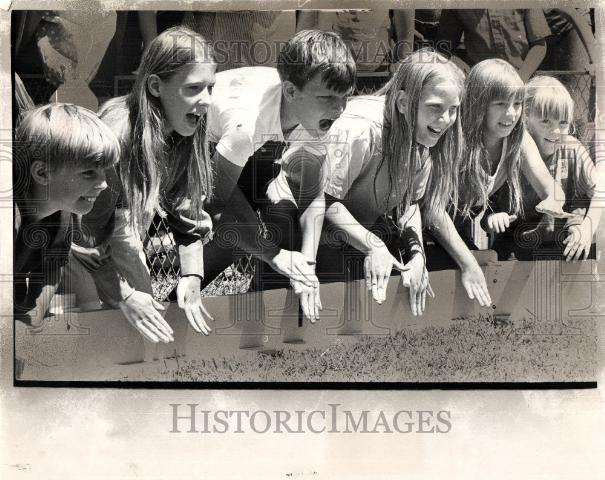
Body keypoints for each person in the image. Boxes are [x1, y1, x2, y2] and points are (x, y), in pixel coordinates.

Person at [314, 50, 492, 316]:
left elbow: (410, 205)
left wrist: (417, 254)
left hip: (355, 233)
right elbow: (321, 202)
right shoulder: (360, 130)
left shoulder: (423, 136)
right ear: (402, 102)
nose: (445, 120)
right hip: (306, 231)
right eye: (434, 107)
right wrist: (373, 245)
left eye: (453, 110)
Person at [68, 26, 216, 337]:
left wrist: (191, 273)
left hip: (121, 219)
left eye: (210, 88)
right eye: (193, 88)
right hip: (73, 230)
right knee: (89, 312)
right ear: (155, 86)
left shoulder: (191, 121)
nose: (206, 101)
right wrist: (123, 294)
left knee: (142, 316)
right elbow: (83, 233)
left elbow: (185, 201)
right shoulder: (117, 133)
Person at [199, 30, 356, 322]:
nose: (339, 109)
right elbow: (214, 201)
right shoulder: (247, 127)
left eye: (345, 97)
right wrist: (273, 254)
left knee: (268, 218)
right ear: (291, 92)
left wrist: (307, 264)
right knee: (237, 229)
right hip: (192, 138)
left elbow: (313, 198)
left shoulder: (314, 117)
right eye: (327, 97)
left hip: (252, 142)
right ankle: (177, 302)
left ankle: (246, 307)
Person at [13, 103, 118, 331]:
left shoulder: (62, 216)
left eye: (104, 171)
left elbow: (52, 267)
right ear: (42, 173)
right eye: (88, 172)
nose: (103, 184)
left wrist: (30, 318)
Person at [458, 59, 567, 251]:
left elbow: (553, 191)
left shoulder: (518, 138)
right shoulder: (459, 141)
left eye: (517, 104)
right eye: (500, 104)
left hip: (456, 230)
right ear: (478, 103)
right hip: (425, 230)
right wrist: (467, 263)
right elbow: (435, 212)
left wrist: (552, 202)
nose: (511, 114)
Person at [491, 76, 599, 261]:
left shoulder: (572, 148)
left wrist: (585, 228)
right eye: (546, 121)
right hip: (514, 249)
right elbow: (485, 202)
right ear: (524, 118)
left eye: (563, 123)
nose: (556, 131)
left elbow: (599, 193)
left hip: (561, 247)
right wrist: (491, 218)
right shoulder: (508, 150)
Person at [436, 9, 551, 81]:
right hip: (480, 83)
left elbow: (539, 45)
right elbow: (444, 48)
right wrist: (456, 63)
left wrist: (521, 78)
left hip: (520, 77)